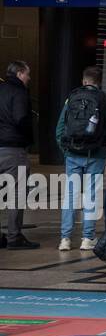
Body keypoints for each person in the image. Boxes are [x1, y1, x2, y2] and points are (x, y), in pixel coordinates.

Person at [55, 66, 106, 251]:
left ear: (83, 81)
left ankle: (65, 239)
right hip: (96, 155)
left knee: (70, 196)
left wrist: (67, 151)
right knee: (92, 196)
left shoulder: (71, 100)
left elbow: (59, 130)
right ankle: (87, 238)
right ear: (99, 82)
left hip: (73, 155)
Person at [0, 60, 38, 250]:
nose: (29, 78)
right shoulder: (19, 92)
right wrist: (29, 138)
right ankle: (14, 236)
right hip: (13, 150)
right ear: (20, 73)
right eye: (28, 74)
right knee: (17, 193)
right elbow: (21, 118)